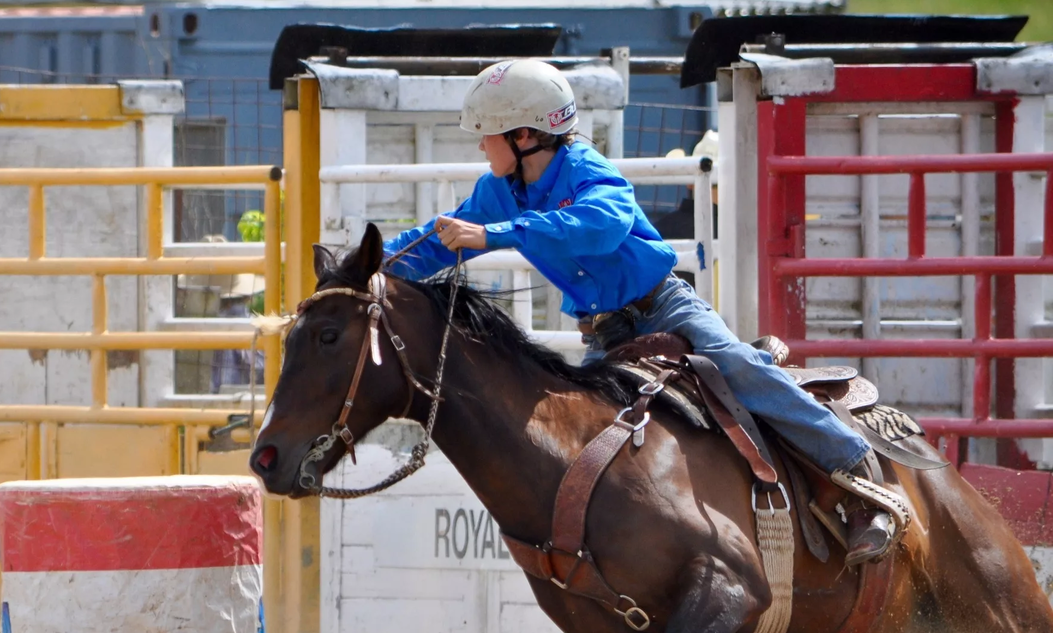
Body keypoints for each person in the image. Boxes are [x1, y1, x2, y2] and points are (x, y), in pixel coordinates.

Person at [382, 59, 892, 567]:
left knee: (737, 367)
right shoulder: (499, 192)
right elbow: (436, 238)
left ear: (522, 135)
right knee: (580, 436)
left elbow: (600, 226)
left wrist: (496, 234)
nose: (480, 146)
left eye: (487, 135)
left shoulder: (587, 170)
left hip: (665, 311)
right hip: (606, 335)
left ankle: (859, 474)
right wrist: (371, 267)